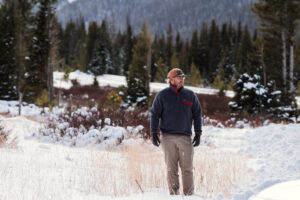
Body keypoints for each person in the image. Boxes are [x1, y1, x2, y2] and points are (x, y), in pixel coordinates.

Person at [150, 68, 202, 196]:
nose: (182, 79)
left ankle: (189, 195)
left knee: (187, 169)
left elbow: (197, 114)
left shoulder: (190, 95)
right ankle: (174, 194)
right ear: (171, 80)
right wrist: (154, 133)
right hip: (167, 138)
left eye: (183, 77)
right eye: (179, 77)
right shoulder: (162, 95)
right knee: (171, 169)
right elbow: (154, 115)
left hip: (185, 138)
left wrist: (198, 133)